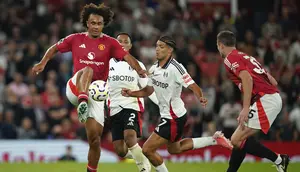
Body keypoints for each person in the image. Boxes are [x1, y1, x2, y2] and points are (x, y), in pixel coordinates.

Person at [32, 3, 146, 172]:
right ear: (87, 23)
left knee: (94, 139)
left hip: (97, 95)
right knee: (88, 69)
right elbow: (55, 47)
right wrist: (42, 63)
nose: (95, 26)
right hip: (76, 88)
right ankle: (83, 100)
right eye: (92, 23)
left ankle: (91, 169)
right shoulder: (75, 38)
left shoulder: (110, 42)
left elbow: (127, 57)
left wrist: (139, 69)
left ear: (103, 24)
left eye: (99, 23)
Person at [122, 36, 233, 172]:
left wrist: (201, 97)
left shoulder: (176, 68)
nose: (157, 49)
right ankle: (214, 139)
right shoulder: (153, 69)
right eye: (156, 46)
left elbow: (192, 85)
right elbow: (148, 90)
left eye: (161, 47)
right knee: (175, 148)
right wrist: (131, 93)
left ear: (169, 50)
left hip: (173, 118)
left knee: (147, 149)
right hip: (170, 116)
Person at [216, 30, 289, 172]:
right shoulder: (245, 56)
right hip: (269, 97)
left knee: (236, 139)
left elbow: (247, 79)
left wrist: (245, 108)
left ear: (220, 45)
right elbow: (271, 80)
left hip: (265, 99)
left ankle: (279, 159)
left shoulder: (230, 58)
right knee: (239, 140)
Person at [108, 32, 158, 172]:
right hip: (114, 108)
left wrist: (161, 105)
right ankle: (142, 157)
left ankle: (144, 168)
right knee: (120, 151)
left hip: (132, 105)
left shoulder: (138, 65)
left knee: (130, 138)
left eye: (125, 41)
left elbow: (147, 89)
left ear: (129, 46)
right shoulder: (107, 63)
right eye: (119, 41)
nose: (122, 44)